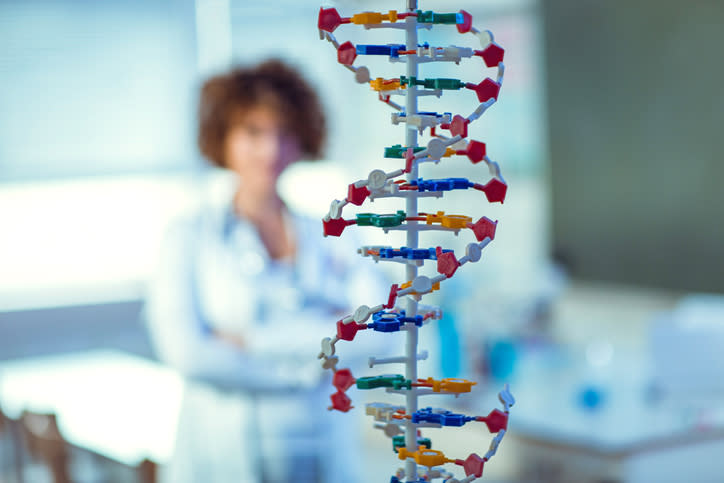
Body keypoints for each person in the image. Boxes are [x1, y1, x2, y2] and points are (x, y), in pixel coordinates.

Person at [145, 59, 386, 483]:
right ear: (223, 137)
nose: (271, 150)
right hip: (222, 455)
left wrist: (253, 340)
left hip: (322, 450)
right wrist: (306, 368)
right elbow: (188, 353)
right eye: (253, 132)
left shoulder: (332, 235)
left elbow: (381, 331)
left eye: (285, 133)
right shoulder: (188, 237)